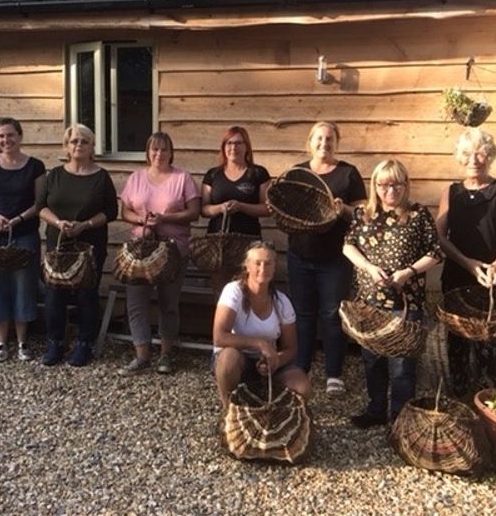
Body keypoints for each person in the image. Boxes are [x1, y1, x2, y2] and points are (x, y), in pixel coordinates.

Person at [343, 159, 442, 428]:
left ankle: (400, 417)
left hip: (405, 302)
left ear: (406, 185)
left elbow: (435, 253)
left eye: (397, 183)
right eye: (384, 184)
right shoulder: (362, 213)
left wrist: (408, 272)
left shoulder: (418, 214)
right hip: (370, 302)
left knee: (401, 365)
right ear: (375, 185)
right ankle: (376, 410)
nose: (390, 190)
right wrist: (369, 267)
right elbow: (348, 247)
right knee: (372, 360)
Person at [436, 128, 496, 396]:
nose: (473, 159)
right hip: (458, 277)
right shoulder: (451, 193)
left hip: (493, 280)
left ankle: (492, 404)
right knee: (458, 345)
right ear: (459, 158)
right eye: (467, 153)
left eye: (480, 152)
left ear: (490, 155)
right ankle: (461, 401)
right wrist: (467, 263)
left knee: (493, 349)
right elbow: (440, 238)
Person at [286, 121, 367, 397]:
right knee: (303, 316)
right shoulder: (297, 172)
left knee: (332, 316)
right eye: (319, 138)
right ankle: (301, 369)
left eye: (329, 138)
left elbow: (361, 216)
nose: (324, 143)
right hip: (299, 254)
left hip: (334, 258)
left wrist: (341, 208)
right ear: (310, 142)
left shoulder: (348, 174)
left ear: (337, 142)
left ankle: (334, 375)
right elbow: (284, 207)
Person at [117, 132, 200, 375]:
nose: (159, 154)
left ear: (171, 152)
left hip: (173, 251)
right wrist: (141, 219)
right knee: (136, 303)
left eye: (164, 150)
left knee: (169, 304)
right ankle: (141, 355)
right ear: (148, 152)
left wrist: (166, 218)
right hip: (141, 251)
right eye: (154, 149)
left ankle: (166, 354)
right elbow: (125, 212)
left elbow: (194, 212)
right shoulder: (136, 177)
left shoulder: (182, 178)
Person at [38, 125, 118, 367]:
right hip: (59, 243)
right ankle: (55, 343)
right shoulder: (55, 175)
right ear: (66, 146)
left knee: (86, 293)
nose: (79, 145)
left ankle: (85, 344)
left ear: (92, 146)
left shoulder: (101, 177)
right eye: (74, 141)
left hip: (90, 243)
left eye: (84, 141)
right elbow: (41, 207)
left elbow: (111, 211)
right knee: (54, 294)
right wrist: (58, 222)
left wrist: (85, 224)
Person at [0, 118, 45, 362]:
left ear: (20, 136)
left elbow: (39, 203)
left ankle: (23, 342)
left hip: (24, 235)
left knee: (23, 286)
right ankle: (2, 342)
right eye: (1, 136)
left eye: (11, 135)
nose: (6, 140)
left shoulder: (35, 166)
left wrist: (18, 219)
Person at [212, 240, 311, 410]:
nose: (263, 269)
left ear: (274, 267)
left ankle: (272, 409)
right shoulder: (233, 291)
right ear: (247, 266)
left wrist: (276, 360)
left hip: (267, 362)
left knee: (303, 387)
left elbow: (291, 348)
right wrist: (259, 343)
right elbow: (219, 337)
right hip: (238, 359)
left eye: (268, 263)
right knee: (228, 358)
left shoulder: (282, 301)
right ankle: (227, 408)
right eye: (257, 263)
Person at [201, 126, 270, 286]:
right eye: (229, 143)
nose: (233, 147)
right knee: (221, 292)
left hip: (249, 243)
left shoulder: (258, 173)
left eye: (239, 143)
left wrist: (241, 206)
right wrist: (220, 208)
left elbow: (267, 209)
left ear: (247, 147)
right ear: (224, 147)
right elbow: (204, 209)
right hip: (218, 245)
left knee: (248, 289)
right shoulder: (213, 175)